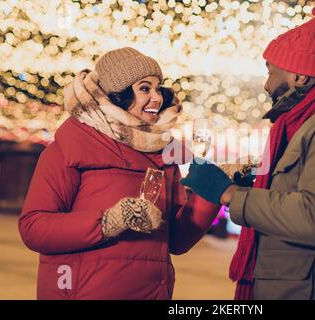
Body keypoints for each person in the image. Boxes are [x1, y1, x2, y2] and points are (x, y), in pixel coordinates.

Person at [181, 2, 315, 300]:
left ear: (300, 76)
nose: (266, 84)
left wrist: (230, 193)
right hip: (306, 284)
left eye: (271, 72)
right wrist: (260, 181)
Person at [19, 47, 220, 300]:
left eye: (159, 88)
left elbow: (176, 241)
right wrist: (108, 221)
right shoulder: (71, 147)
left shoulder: (163, 154)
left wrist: (212, 191)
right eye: (145, 88)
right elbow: (34, 228)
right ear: (118, 95)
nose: (157, 98)